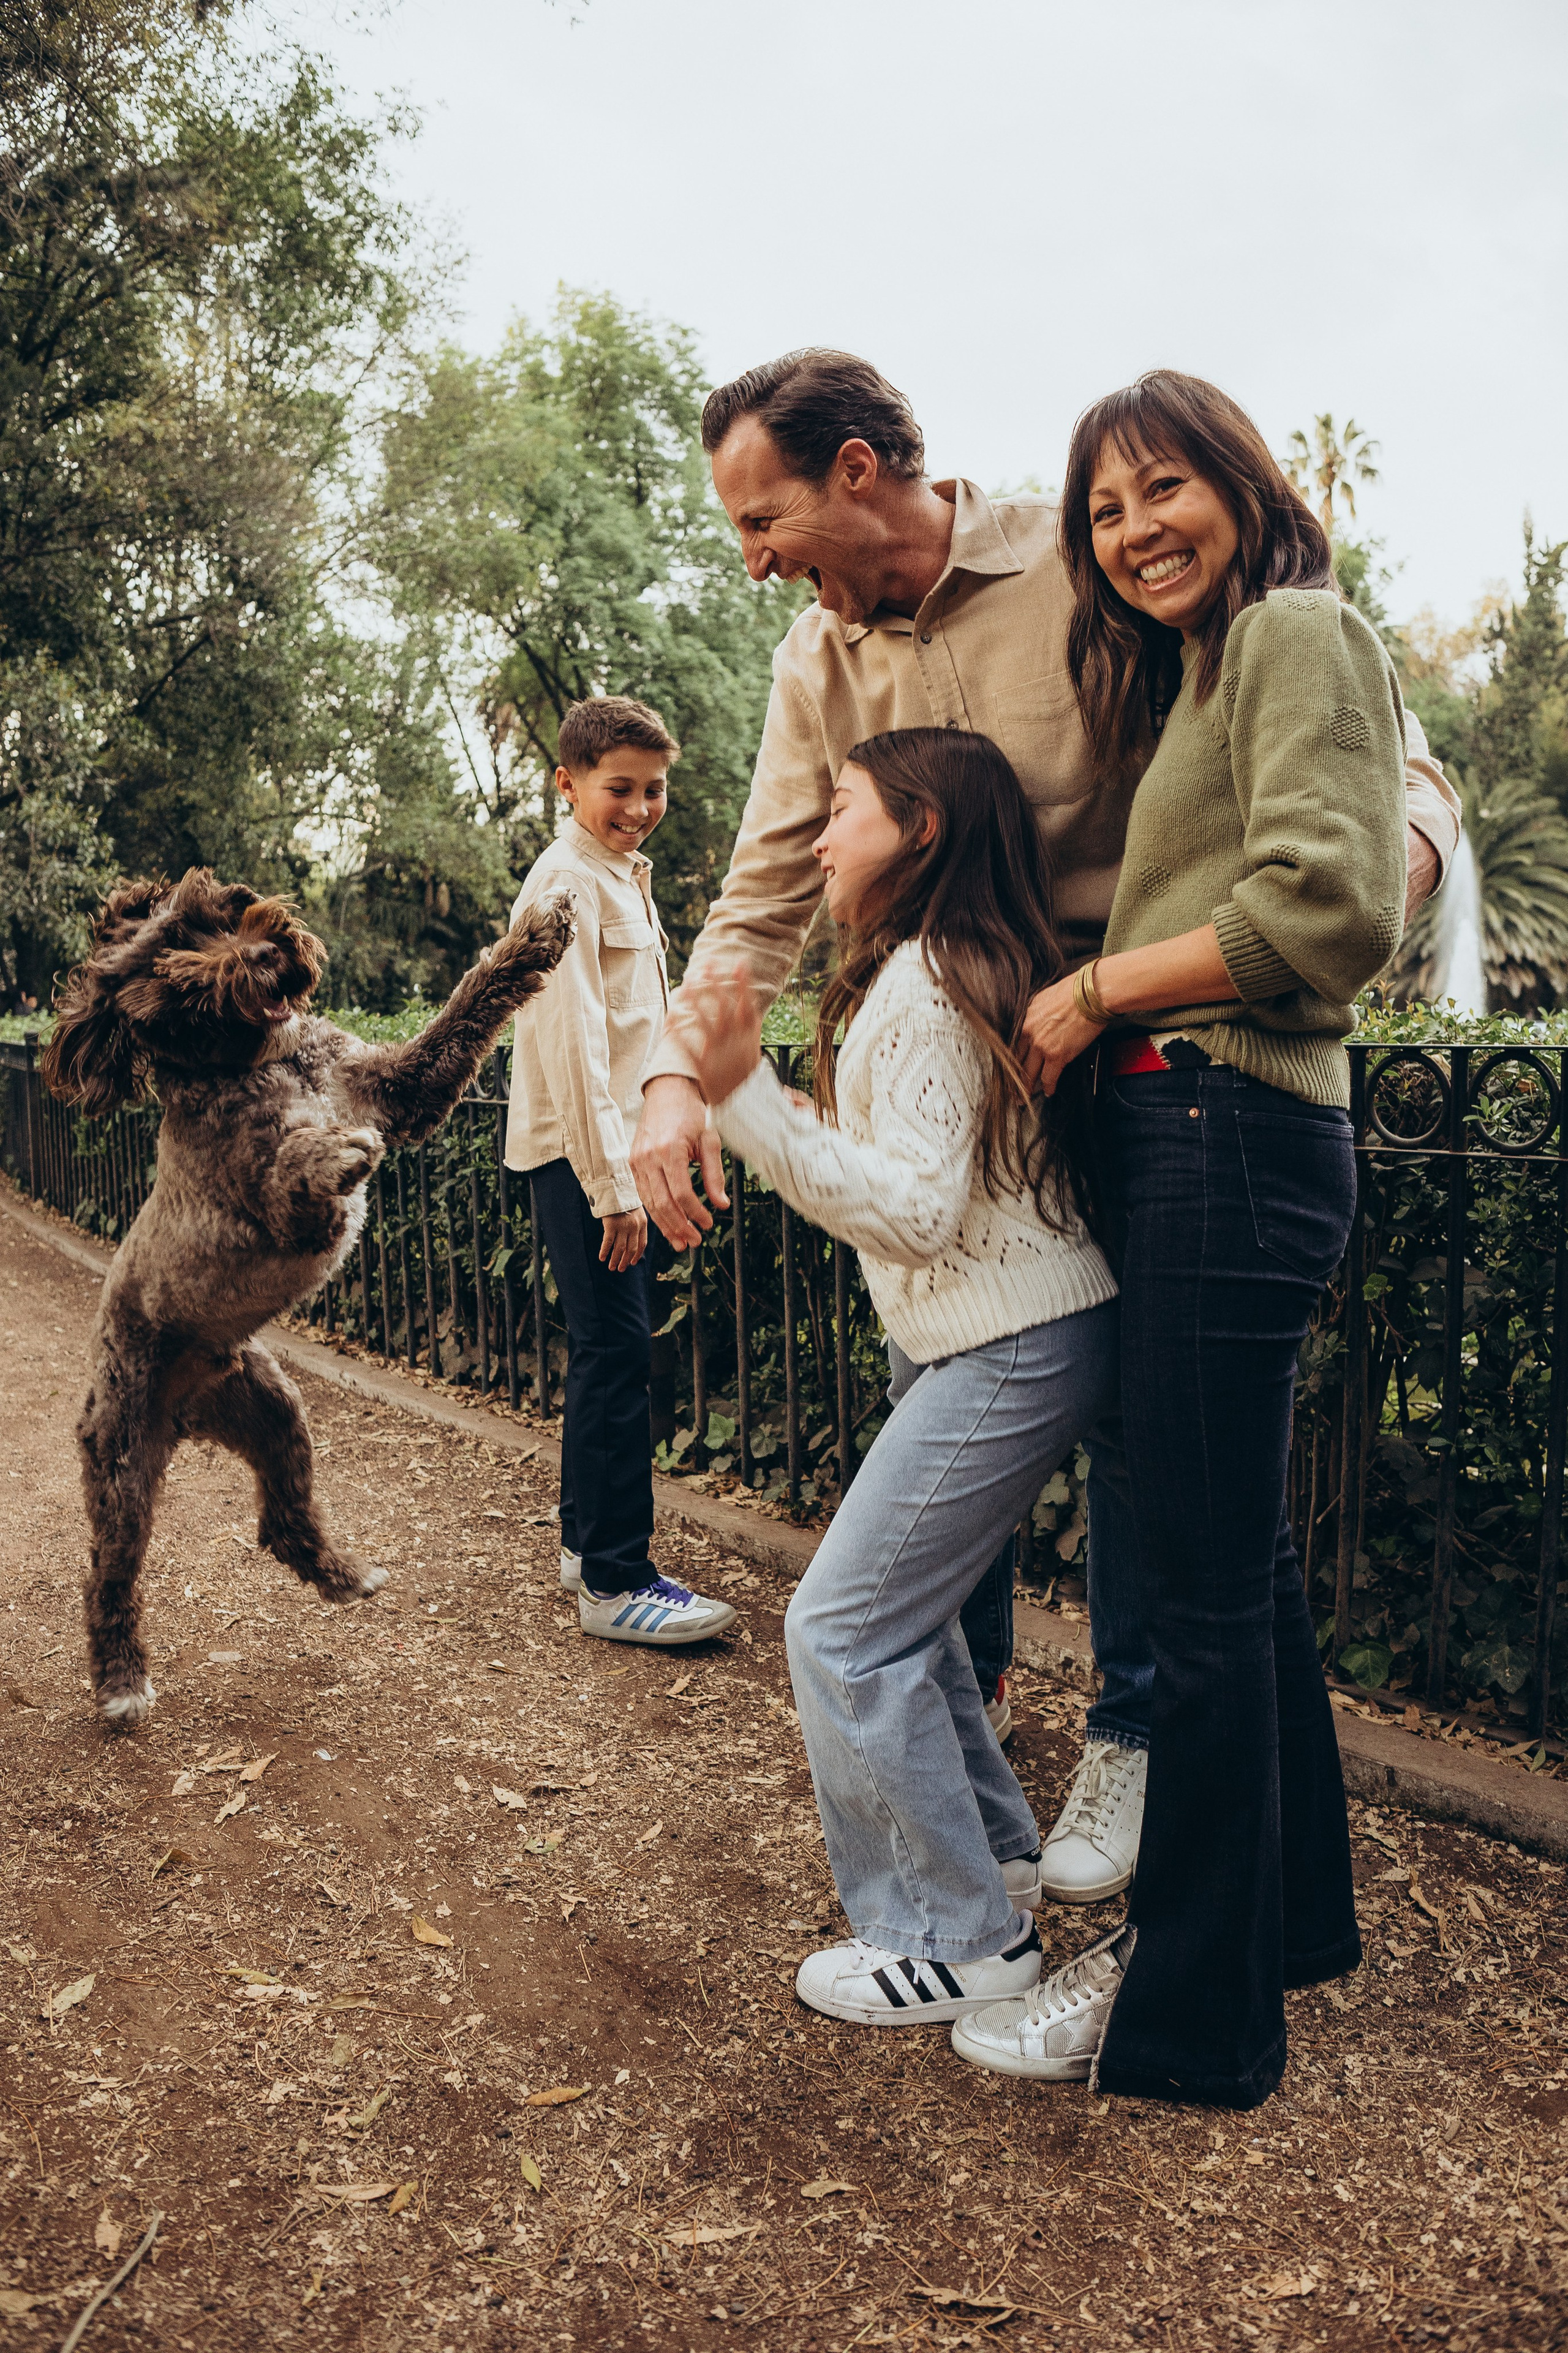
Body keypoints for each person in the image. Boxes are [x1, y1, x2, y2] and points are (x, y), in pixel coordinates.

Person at [631, 347, 1460, 1902]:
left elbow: (1373, 758)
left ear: (856, 472)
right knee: (937, 1410)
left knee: (1152, 1446)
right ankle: (973, 1754)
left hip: (1145, 1058)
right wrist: (679, 1075)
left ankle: (1134, 1738)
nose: (751, 561)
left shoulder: (1082, 558)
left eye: (760, 520)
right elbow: (762, 887)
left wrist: (1344, 895)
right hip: (960, 1075)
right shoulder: (815, 662)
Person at [950, 370, 1403, 2103]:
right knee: (1242, 1573)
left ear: (1241, 481)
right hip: (1193, 1133)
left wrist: (1089, 991)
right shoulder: (1206, 668)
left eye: (1163, 489)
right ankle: (1289, 1925)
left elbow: (1329, 904)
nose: (1135, 531)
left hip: (1228, 1127)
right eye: (1104, 512)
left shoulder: (1295, 631)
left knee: (1200, 1600)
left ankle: (1190, 2012)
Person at [677, 727, 1118, 2025]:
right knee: (898, 1623)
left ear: (920, 828)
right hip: (1004, 1335)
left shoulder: (927, 981)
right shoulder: (931, 966)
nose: (819, 837)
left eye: (843, 809)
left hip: (1009, 1340)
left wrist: (747, 1098)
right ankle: (995, 1862)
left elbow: (918, 1214)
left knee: (842, 1628)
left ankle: (954, 1937)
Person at [505, 696, 736, 1648]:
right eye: (621, 789)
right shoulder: (566, 884)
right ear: (567, 783)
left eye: (656, 789)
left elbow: (644, 1029)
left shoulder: (618, 875)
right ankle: (615, 1578)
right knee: (619, 1353)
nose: (641, 808)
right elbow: (573, 1048)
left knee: (608, 1350)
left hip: (610, 1153)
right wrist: (611, 1190)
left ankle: (583, 1543)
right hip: (582, 1158)